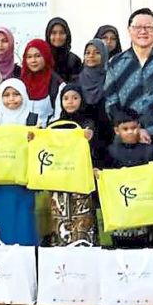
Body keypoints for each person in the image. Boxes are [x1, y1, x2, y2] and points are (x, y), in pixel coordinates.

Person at [104, 8, 153, 164]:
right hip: (124, 144)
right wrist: (132, 131)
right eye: (137, 27)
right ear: (129, 31)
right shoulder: (115, 63)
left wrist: (148, 130)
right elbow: (110, 103)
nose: (143, 31)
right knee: (126, 186)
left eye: (148, 27)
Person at [100, 109, 153, 249]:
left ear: (139, 127)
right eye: (125, 129)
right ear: (117, 131)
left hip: (142, 208)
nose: (130, 132)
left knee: (144, 243)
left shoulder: (149, 150)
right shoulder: (111, 151)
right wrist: (100, 175)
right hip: (121, 208)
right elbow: (105, 174)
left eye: (133, 128)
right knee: (120, 245)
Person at [0, 79, 41, 246]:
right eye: (6, 95)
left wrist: (35, 138)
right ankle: (4, 266)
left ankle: (26, 261)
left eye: (16, 94)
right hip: (1, 182)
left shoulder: (32, 119)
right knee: (3, 220)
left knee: (24, 220)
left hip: (23, 182)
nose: (11, 99)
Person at [48, 84, 99, 246]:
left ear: (82, 100)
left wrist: (89, 136)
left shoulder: (88, 123)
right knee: (61, 218)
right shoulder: (54, 124)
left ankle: (85, 256)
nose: (70, 102)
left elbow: (96, 150)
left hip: (80, 179)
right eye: (66, 98)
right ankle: (63, 262)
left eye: (75, 98)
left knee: (83, 218)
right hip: (59, 179)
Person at [80, 39, 111, 165]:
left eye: (97, 52)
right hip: (83, 139)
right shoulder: (77, 80)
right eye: (87, 53)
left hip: (107, 138)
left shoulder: (110, 79)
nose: (91, 56)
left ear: (104, 55)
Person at [20, 39, 64, 125]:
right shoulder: (19, 83)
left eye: (38, 56)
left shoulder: (56, 84)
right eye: (29, 57)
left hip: (46, 134)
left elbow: (58, 117)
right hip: (21, 134)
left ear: (46, 56)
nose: (33, 60)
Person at [46, 17, 83, 82]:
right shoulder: (43, 59)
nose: (58, 37)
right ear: (48, 35)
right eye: (54, 33)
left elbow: (77, 85)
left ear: (67, 35)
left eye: (62, 33)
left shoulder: (74, 60)